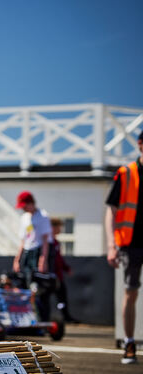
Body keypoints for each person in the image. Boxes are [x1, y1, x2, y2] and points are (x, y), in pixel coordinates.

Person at [105, 129, 143, 364]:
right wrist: (111, 244)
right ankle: (129, 342)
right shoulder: (126, 173)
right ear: (140, 144)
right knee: (131, 293)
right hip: (131, 243)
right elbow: (111, 209)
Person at [13, 190, 52, 321]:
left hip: (38, 250)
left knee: (37, 285)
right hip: (27, 251)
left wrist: (43, 259)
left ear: (31, 203)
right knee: (23, 283)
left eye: (25, 205)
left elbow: (46, 239)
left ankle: (41, 317)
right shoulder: (24, 218)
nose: (23, 209)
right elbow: (23, 240)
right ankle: (24, 315)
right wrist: (17, 259)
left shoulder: (43, 216)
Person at [48, 218, 77, 323]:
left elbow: (59, 259)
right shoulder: (48, 243)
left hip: (58, 276)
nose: (60, 229)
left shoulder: (56, 243)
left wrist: (66, 268)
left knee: (62, 297)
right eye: (58, 227)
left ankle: (65, 316)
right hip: (51, 276)